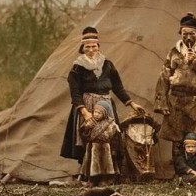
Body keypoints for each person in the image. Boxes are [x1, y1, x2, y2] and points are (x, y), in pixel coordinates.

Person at [61, 26, 145, 172]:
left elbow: (118, 87)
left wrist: (131, 104)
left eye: (94, 46)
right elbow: (75, 94)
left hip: (106, 106)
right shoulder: (77, 68)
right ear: (82, 48)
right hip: (87, 105)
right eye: (87, 47)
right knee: (89, 138)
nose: (91, 50)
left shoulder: (107, 64)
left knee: (109, 136)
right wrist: (85, 113)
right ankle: (88, 172)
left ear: (98, 47)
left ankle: (109, 172)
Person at [154, 12, 196, 148]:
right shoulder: (173, 53)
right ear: (180, 33)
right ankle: (180, 168)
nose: (188, 37)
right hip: (176, 101)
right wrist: (162, 103)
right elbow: (164, 77)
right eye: (185, 33)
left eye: (192, 33)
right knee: (177, 139)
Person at [79, 100, 121, 187]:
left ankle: (104, 180)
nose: (96, 114)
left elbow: (115, 139)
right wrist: (86, 128)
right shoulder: (89, 122)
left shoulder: (111, 124)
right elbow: (83, 136)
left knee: (105, 165)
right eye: (95, 112)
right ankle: (92, 180)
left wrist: (114, 150)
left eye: (99, 113)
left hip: (105, 148)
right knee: (91, 164)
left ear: (105, 114)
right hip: (92, 147)